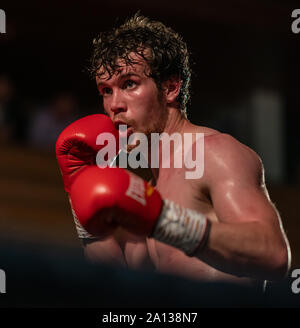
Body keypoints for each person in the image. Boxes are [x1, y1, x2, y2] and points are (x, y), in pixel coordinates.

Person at [56, 14, 291, 286]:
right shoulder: (146, 193)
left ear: (170, 87)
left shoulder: (214, 152)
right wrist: (78, 184)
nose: (114, 105)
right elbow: (119, 287)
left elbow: (273, 254)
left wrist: (168, 223)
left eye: (129, 84)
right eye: (106, 91)